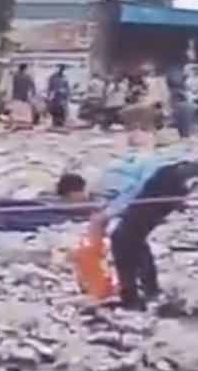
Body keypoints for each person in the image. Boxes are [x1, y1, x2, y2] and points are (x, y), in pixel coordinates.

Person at [57, 119, 187, 311]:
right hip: (165, 181)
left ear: (74, 192)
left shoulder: (102, 180)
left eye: (71, 200)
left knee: (122, 238)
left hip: (160, 180)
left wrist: (108, 214)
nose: (75, 205)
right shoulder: (100, 190)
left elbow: (131, 190)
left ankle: (135, 297)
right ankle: (146, 291)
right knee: (132, 237)